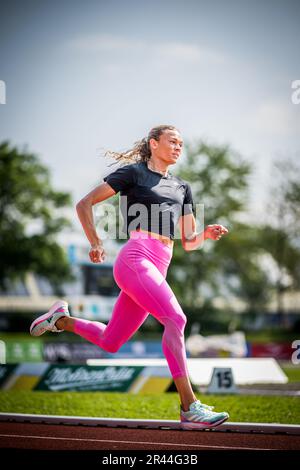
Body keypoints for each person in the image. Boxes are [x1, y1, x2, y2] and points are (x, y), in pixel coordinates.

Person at [30, 125, 229, 430]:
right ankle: (189, 407)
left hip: (159, 265)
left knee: (111, 341)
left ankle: (61, 320)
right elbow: (84, 204)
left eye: (181, 143)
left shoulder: (183, 187)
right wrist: (96, 242)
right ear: (154, 143)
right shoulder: (134, 174)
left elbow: (189, 242)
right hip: (136, 259)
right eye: (172, 141)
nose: (178, 147)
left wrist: (206, 233)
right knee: (176, 320)